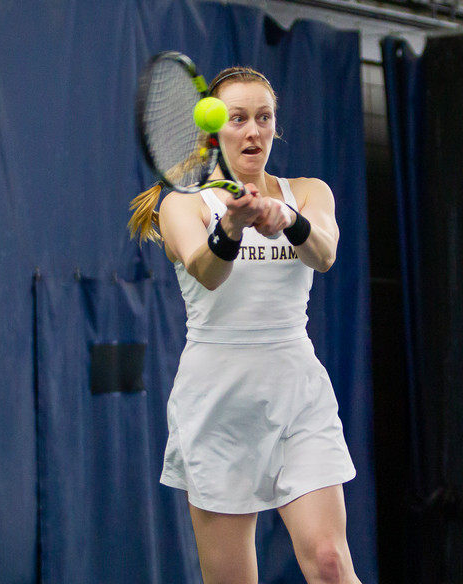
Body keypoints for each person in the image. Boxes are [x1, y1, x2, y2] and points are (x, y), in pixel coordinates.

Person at [128, 66, 361, 584]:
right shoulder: (183, 204)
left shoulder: (309, 190)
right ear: (214, 133)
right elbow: (205, 271)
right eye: (238, 119)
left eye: (264, 118)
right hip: (218, 402)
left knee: (328, 561)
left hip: (297, 393)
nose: (253, 131)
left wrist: (288, 219)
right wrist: (231, 227)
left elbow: (324, 254)